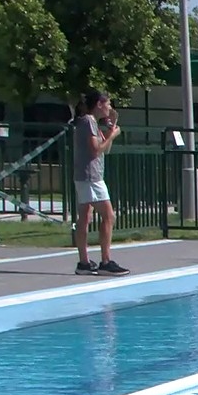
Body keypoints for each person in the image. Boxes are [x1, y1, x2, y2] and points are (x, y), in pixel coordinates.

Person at [72, 90, 129, 276]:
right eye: (108, 104)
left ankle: (84, 263)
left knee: (85, 217)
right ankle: (105, 261)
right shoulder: (88, 121)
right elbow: (96, 150)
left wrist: (111, 129)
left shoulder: (90, 122)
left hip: (86, 175)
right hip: (91, 177)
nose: (110, 107)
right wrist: (112, 135)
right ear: (99, 104)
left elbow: (105, 149)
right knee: (109, 216)